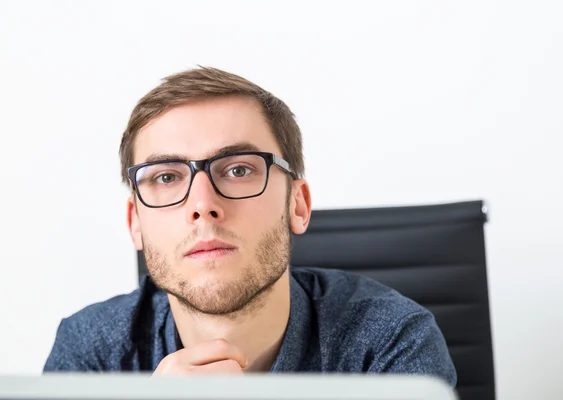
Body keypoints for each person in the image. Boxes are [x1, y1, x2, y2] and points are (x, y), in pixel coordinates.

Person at [43, 66, 456, 384]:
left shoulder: (390, 342)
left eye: (238, 170)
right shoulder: (90, 354)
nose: (203, 205)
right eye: (166, 177)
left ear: (297, 204)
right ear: (136, 222)